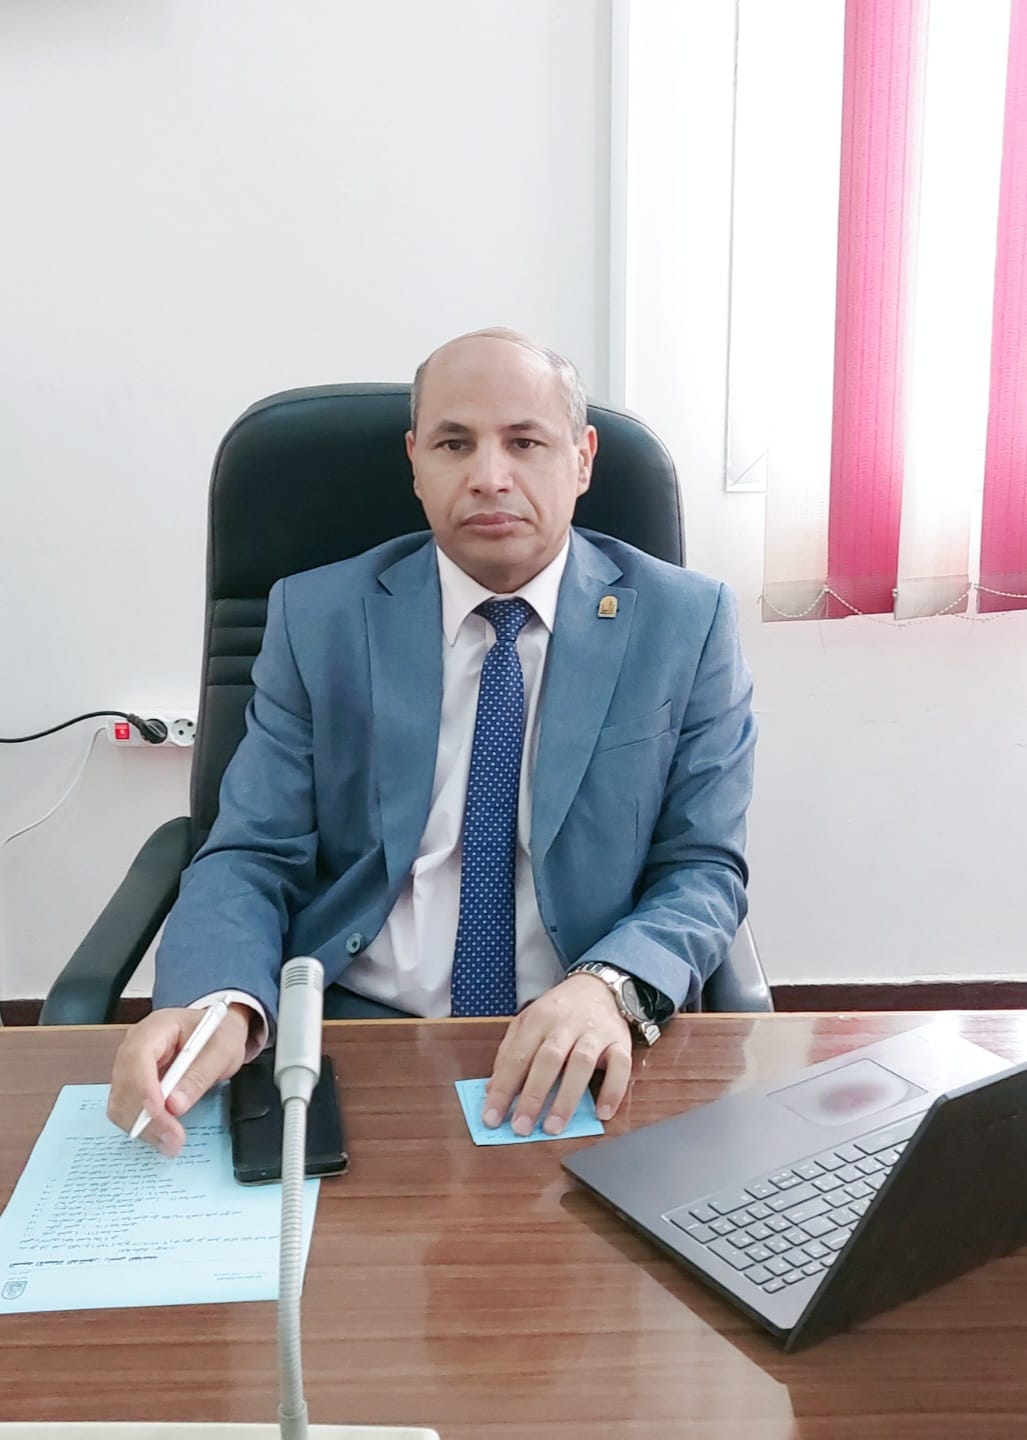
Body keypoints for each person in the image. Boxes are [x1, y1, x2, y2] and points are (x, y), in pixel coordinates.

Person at [107, 327, 756, 1155]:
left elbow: (703, 868)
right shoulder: (317, 618)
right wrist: (220, 1002)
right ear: (415, 462)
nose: (490, 476)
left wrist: (611, 987)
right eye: (455, 443)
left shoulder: (687, 623)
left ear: (582, 459)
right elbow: (251, 851)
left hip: (582, 1031)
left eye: (525, 442)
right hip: (352, 1032)